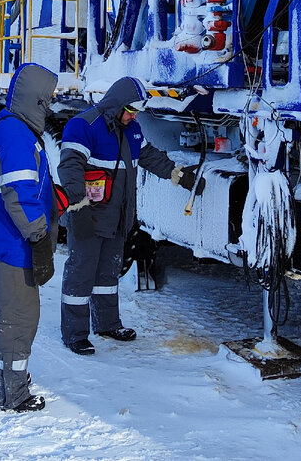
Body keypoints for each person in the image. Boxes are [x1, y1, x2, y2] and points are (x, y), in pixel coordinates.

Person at [57, 76, 197, 355]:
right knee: (81, 273)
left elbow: (151, 157)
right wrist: (78, 206)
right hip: (88, 215)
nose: (133, 117)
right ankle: (74, 333)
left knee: (108, 273)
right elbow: (70, 167)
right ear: (117, 104)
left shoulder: (132, 131)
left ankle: (108, 324)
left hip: (117, 217)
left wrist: (179, 175)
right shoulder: (84, 126)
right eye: (130, 110)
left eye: (136, 113)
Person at [0, 62, 59, 412]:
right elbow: (19, 194)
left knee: (0, 309)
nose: (51, 106)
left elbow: (21, 186)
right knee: (19, 316)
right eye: (48, 100)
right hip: (13, 243)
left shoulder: (6, 125)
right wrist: (40, 238)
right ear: (35, 100)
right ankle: (10, 393)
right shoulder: (18, 137)